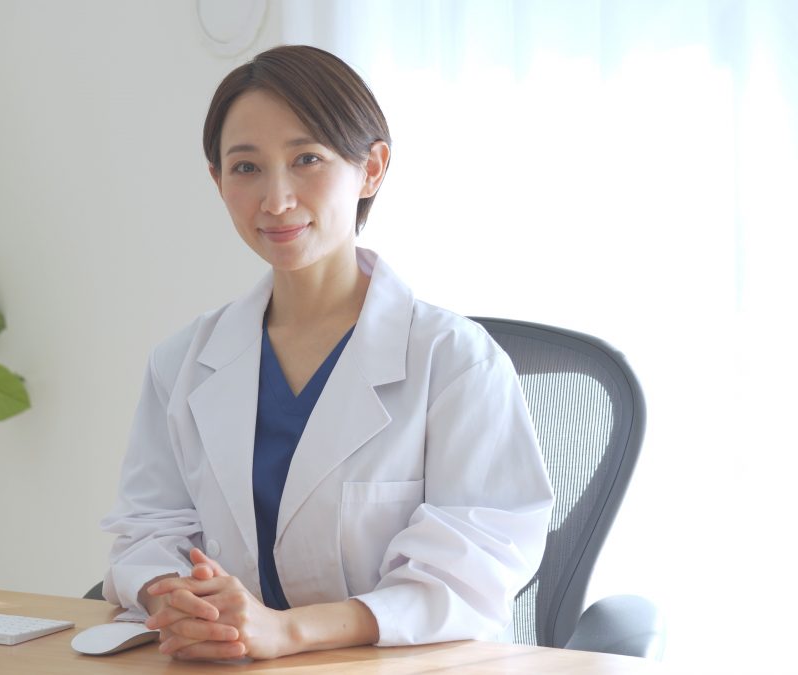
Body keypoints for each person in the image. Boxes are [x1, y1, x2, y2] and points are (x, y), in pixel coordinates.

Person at [99, 45, 554, 662]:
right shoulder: (181, 362)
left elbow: (473, 569)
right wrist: (180, 602)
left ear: (372, 169)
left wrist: (285, 631)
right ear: (217, 181)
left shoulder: (455, 361)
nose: (276, 199)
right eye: (246, 167)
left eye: (306, 159)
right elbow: (145, 531)